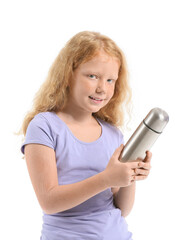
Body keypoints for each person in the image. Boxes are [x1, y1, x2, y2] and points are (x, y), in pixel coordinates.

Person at [19, 31, 152, 240]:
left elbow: (122, 209)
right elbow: (49, 201)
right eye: (93, 76)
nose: (102, 88)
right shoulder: (44, 126)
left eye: (110, 80)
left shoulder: (112, 133)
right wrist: (107, 178)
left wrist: (130, 176)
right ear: (68, 74)